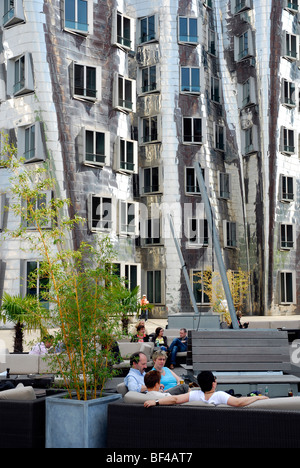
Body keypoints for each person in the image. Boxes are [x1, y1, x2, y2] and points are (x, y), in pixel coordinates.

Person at [144, 370, 269, 408]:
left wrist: (155, 402)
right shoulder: (220, 396)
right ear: (214, 384)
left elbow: (175, 399)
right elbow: (239, 402)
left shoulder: (195, 395)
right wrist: (258, 397)